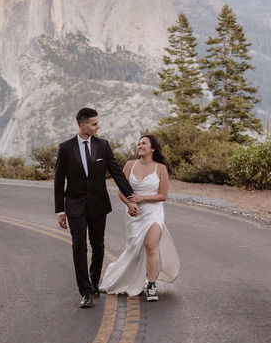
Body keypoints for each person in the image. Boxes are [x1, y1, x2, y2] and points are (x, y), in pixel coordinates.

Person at [54, 107, 136, 308]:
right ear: (83, 126)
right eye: (94, 124)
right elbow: (58, 180)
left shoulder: (103, 146)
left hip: (98, 204)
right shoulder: (66, 148)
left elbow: (117, 173)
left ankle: (94, 281)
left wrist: (131, 196)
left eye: (97, 123)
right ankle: (85, 292)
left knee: (98, 245)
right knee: (79, 246)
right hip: (74, 205)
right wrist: (60, 210)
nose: (98, 127)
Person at [99, 133, 180, 302]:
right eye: (138, 143)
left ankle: (151, 285)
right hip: (134, 214)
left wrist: (142, 198)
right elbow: (122, 190)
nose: (140, 145)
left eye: (144, 143)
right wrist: (129, 205)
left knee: (151, 246)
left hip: (153, 212)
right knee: (134, 250)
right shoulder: (130, 165)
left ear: (152, 148)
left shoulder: (160, 168)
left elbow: (163, 195)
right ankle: (123, 277)